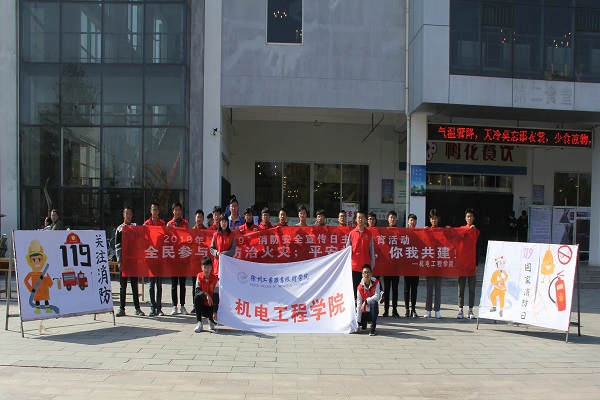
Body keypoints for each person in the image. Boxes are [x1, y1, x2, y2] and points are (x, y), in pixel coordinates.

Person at [115, 206, 144, 317]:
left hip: (133, 261)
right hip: (124, 261)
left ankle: (137, 308)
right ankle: (121, 308)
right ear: (123, 214)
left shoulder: (135, 227)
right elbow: (117, 246)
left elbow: (140, 240)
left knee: (134, 285)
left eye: (130, 214)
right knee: (123, 286)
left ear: (132, 215)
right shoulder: (119, 229)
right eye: (126, 213)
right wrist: (119, 260)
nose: (128, 216)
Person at [167, 202, 189, 315]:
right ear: (173, 211)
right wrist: (167, 230)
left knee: (182, 283)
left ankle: (182, 305)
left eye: (179, 210)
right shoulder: (169, 224)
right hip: (173, 258)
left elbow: (189, 237)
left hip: (183, 257)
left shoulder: (185, 223)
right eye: (175, 210)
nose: (177, 212)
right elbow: (166, 240)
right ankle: (174, 306)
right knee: (174, 283)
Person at [346, 210, 375, 298]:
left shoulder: (369, 234)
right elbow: (347, 251)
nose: (360, 219)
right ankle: (355, 306)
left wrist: (371, 266)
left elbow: (372, 251)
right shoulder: (352, 234)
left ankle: (365, 306)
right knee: (354, 290)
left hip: (365, 267)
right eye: (359, 217)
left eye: (362, 217)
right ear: (356, 219)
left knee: (365, 290)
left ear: (365, 219)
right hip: (354, 267)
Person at [144, 202, 166, 316]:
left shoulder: (162, 224)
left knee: (159, 284)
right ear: (150, 211)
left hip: (159, 258)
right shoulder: (146, 224)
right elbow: (143, 240)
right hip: (151, 257)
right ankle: (152, 307)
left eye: (156, 209)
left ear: (159, 211)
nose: (155, 211)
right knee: (151, 284)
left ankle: (159, 308)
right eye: (153, 209)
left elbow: (165, 238)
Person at [457, 208, 477, 320]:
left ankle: (470, 309)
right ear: (465, 218)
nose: (469, 218)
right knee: (461, 288)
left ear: (473, 218)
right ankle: (460, 309)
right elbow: (456, 240)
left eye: (471, 216)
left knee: (472, 288)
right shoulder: (461, 230)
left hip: (472, 264)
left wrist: (477, 264)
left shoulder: (476, 231)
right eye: (468, 216)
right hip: (462, 264)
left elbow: (478, 249)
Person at [424, 209, 443, 319]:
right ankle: (428, 310)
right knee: (429, 288)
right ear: (430, 220)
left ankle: (437, 310)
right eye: (432, 218)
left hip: (439, 264)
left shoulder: (442, 231)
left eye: (435, 218)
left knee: (438, 289)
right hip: (430, 264)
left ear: (438, 219)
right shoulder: (427, 230)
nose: (434, 220)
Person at [193, 256, 220, 332]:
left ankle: (211, 320)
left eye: (208, 267)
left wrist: (215, 311)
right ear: (201, 267)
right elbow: (197, 291)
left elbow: (216, 296)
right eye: (205, 267)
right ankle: (199, 323)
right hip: (203, 306)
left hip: (211, 306)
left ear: (211, 268)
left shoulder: (215, 280)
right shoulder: (199, 277)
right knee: (196, 298)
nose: (206, 270)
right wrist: (206, 294)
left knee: (214, 318)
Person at [382, 210, 400, 318]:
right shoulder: (384, 231)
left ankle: (395, 310)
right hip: (387, 265)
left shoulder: (400, 232)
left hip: (396, 265)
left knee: (395, 289)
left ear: (396, 219)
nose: (392, 219)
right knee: (387, 289)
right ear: (388, 219)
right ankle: (386, 310)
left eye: (394, 217)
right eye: (390, 217)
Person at [356, 264, 381, 336]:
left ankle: (373, 328)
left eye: (368, 272)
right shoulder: (359, 287)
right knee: (356, 306)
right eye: (364, 272)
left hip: (372, 310)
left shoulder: (376, 282)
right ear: (362, 274)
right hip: (363, 311)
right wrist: (358, 322)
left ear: (371, 273)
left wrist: (366, 301)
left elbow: (377, 296)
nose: (366, 274)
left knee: (374, 302)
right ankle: (362, 323)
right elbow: (359, 304)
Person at [403, 213, 420, 318]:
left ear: (416, 222)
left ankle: (413, 309)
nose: (412, 222)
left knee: (414, 289)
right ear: (408, 222)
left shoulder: (420, 233)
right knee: (406, 289)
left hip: (416, 265)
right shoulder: (404, 233)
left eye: (414, 220)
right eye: (411, 220)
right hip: (406, 265)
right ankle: (406, 309)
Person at [190, 209, 207, 313]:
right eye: (198, 217)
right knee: (194, 285)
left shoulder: (207, 231)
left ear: (203, 219)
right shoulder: (191, 231)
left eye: (201, 217)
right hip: (194, 262)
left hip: (204, 263)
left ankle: (204, 304)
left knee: (204, 284)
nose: (199, 219)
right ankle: (195, 305)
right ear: (195, 218)